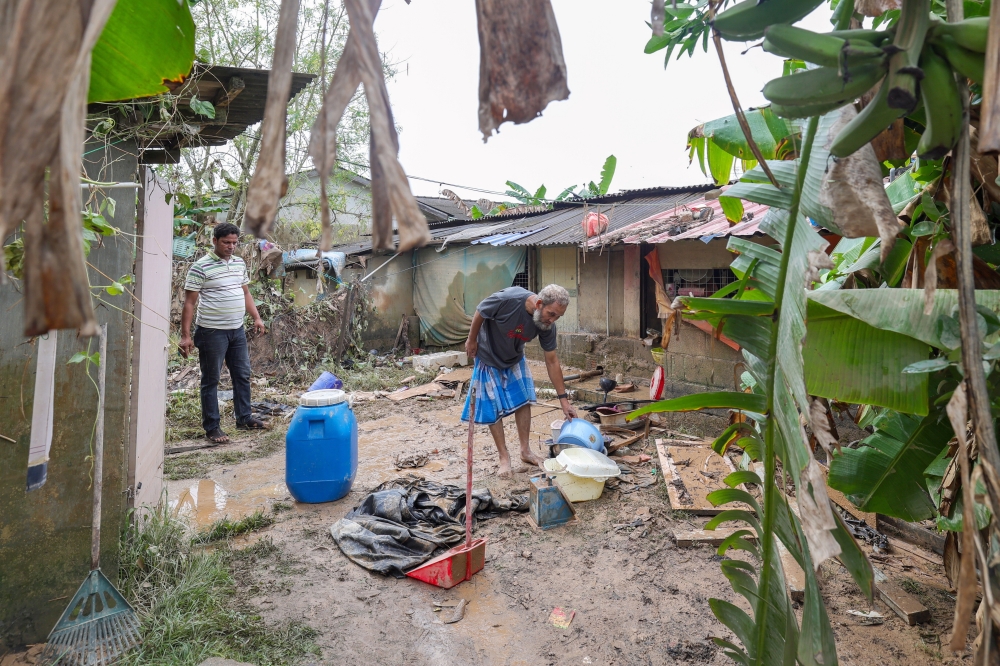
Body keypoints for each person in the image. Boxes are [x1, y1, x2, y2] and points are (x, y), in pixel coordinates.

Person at [464, 284, 578, 477]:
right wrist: (471, 339)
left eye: (558, 316)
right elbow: (481, 310)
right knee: (493, 406)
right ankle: (504, 458)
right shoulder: (508, 299)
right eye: (551, 314)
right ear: (539, 303)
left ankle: (525, 451)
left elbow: (551, 361)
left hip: (514, 357)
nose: (552, 320)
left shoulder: (546, 324)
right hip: (487, 355)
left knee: (524, 401)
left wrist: (564, 400)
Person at [179, 223, 267, 443]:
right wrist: (186, 335)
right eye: (226, 242)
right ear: (215, 241)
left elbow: (245, 292)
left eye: (234, 242)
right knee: (211, 379)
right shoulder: (201, 267)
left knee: (242, 374)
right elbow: (189, 303)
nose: (231, 247)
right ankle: (212, 428)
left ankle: (244, 418)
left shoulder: (239, 264)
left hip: (236, 330)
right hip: (211, 332)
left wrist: (256, 317)